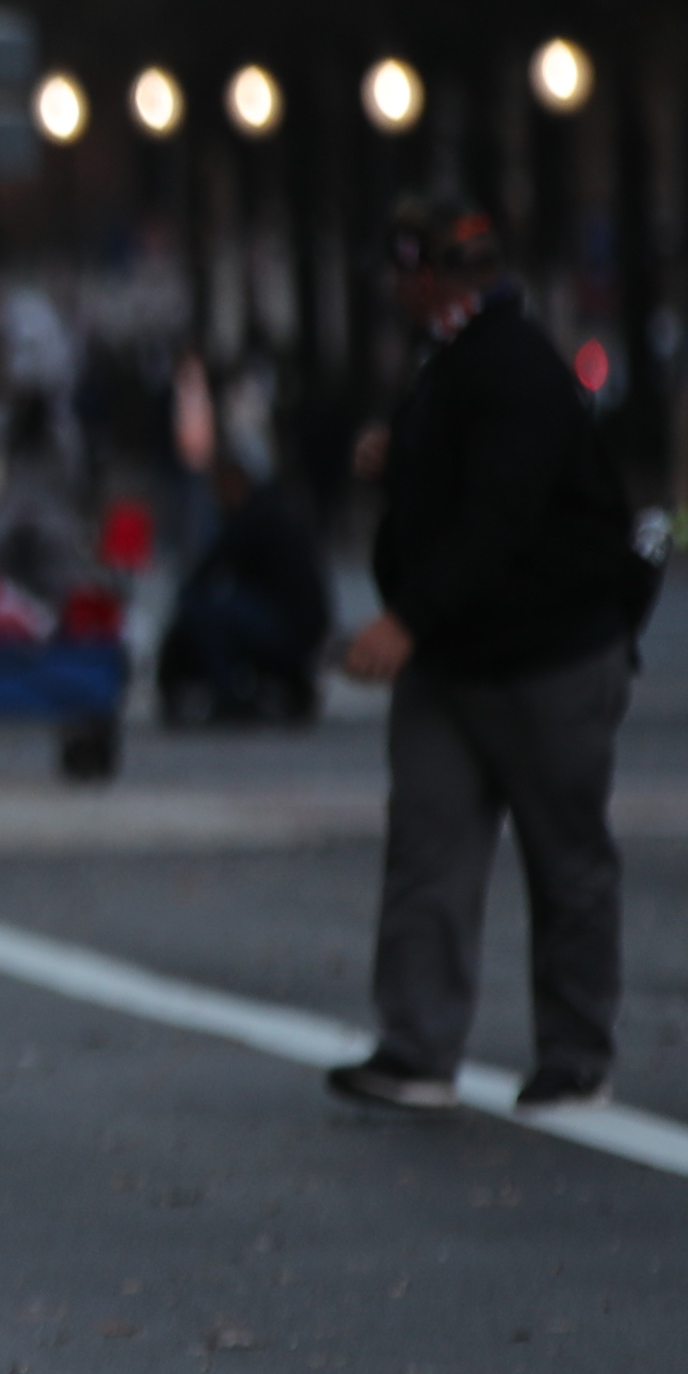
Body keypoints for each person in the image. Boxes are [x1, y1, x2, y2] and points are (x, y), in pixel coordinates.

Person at [330, 200, 650, 1115]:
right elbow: (486, 483)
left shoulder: (501, 367)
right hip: (472, 650)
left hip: (536, 652)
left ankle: (567, 1049)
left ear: (427, 276)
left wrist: (409, 617)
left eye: (402, 274)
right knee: (440, 848)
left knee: (555, 857)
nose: (394, 290)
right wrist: (404, 459)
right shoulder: (478, 358)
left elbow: (500, 514)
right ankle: (427, 1044)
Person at [155, 454, 330, 724]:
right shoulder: (275, 510)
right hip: (303, 624)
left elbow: (209, 569)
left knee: (206, 613)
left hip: (288, 626)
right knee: (225, 608)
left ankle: (227, 694)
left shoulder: (253, 517)